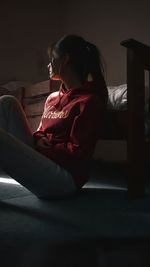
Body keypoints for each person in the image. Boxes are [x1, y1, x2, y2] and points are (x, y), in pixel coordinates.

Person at [0, 34, 108, 199]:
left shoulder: (88, 101)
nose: (49, 64)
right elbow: (40, 132)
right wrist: (38, 139)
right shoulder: (52, 98)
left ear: (65, 59)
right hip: (44, 160)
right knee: (7, 102)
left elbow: (77, 156)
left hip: (64, 178)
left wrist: (45, 148)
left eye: (52, 58)